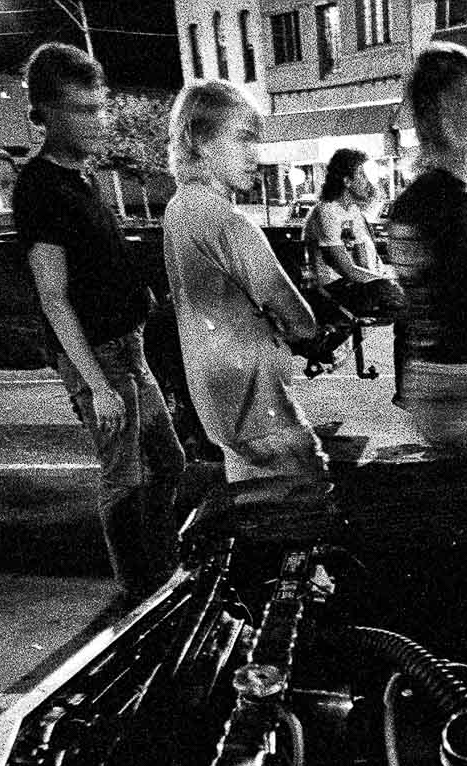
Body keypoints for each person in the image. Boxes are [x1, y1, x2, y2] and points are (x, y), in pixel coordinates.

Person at [15, 42, 184, 603]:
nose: (97, 121)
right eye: (82, 110)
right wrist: (95, 383)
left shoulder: (81, 177)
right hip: (102, 358)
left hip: (130, 349)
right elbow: (54, 299)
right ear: (45, 112)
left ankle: (162, 563)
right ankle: (139, 591)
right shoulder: (39, 187)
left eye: (99, 107)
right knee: (124, 480)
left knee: (168, 461)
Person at [163, 80, 330, 482]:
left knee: (256, 512)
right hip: (259, 405)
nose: (255, 154)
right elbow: (297, 314)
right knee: (305, 496)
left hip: (220, 400)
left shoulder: (179, 209)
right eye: (242, 139)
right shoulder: (229, 222)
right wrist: (301, 327)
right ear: (200, 141)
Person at [388, 43, 467, 457]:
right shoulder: (465, 214)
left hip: (424, 375)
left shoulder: (407, 205)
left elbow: (420, 298)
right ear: (445, 108)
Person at [303, 147, 406, 399]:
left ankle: (406, 389)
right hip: (332, 289)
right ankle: (407, 391)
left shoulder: (353, 213)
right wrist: (385, 283)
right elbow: (345, 269)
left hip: (354, 286)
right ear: (346, 180)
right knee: (406, 306)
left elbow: (365, 261)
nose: (367, 180)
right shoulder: (326, 211)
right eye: (361, 174)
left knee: (407, 302)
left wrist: (387, 279)